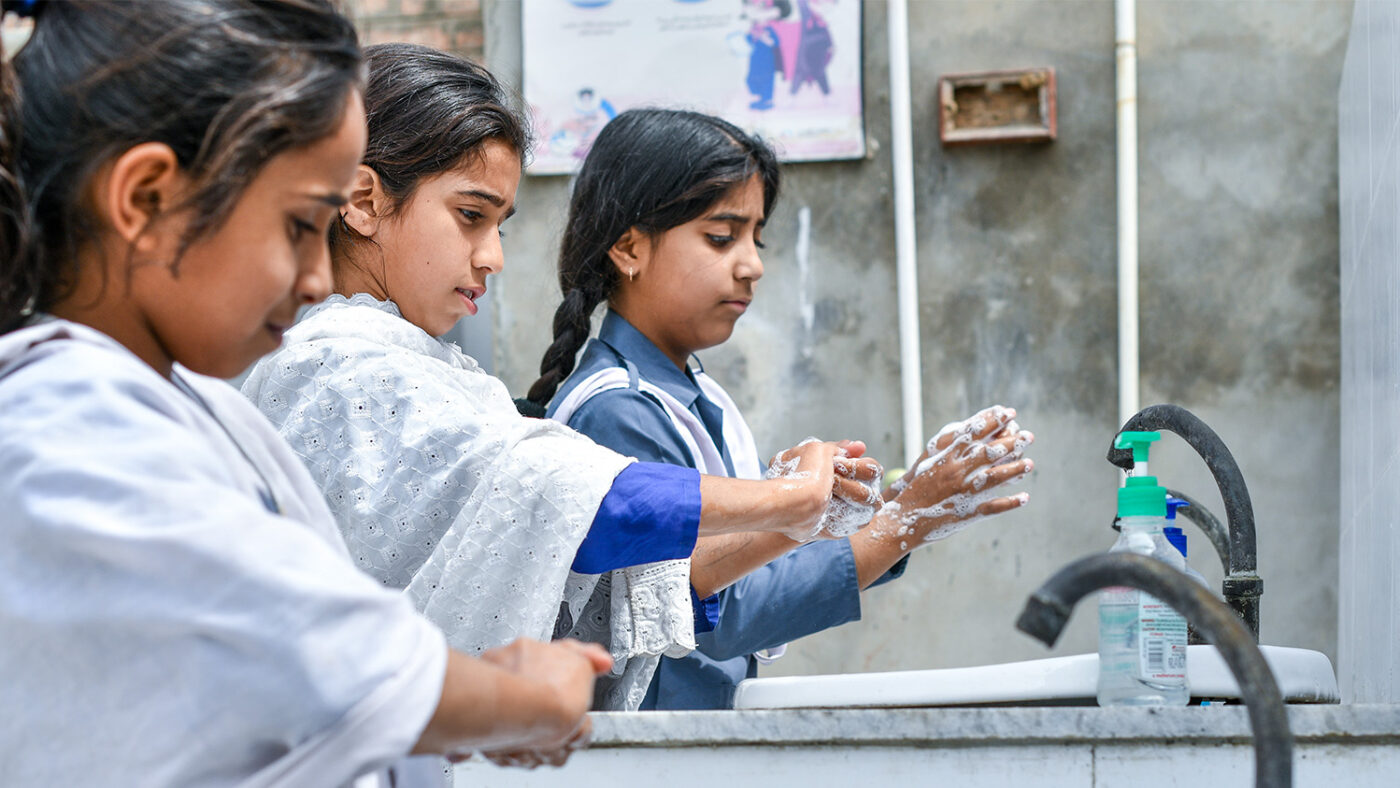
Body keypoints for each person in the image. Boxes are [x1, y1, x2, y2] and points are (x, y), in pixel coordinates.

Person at [0, 3, 612, 785]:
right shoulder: (62, 427)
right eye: (298, 225)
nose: (319, 276)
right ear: (147, 198)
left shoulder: (181, 401)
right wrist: (520, 696)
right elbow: (325, 661)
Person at [240, 43, 891, 715]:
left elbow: (629, 584)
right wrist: (787, 500)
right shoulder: (340, 365)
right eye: (470, 215)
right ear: (363, 200)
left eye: (499, 225)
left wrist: (796, 517)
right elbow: (588, 508)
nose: (491, 257)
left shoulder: (426, 368)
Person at [527, 108, 1035, 710]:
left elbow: (741, 569)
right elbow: (721, 612)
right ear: (629, 248)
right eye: (722, 237)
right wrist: (904, 525)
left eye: (756, 238)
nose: (753, 265)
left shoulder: (695, 397)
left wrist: (896, 509)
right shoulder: (618, 411)